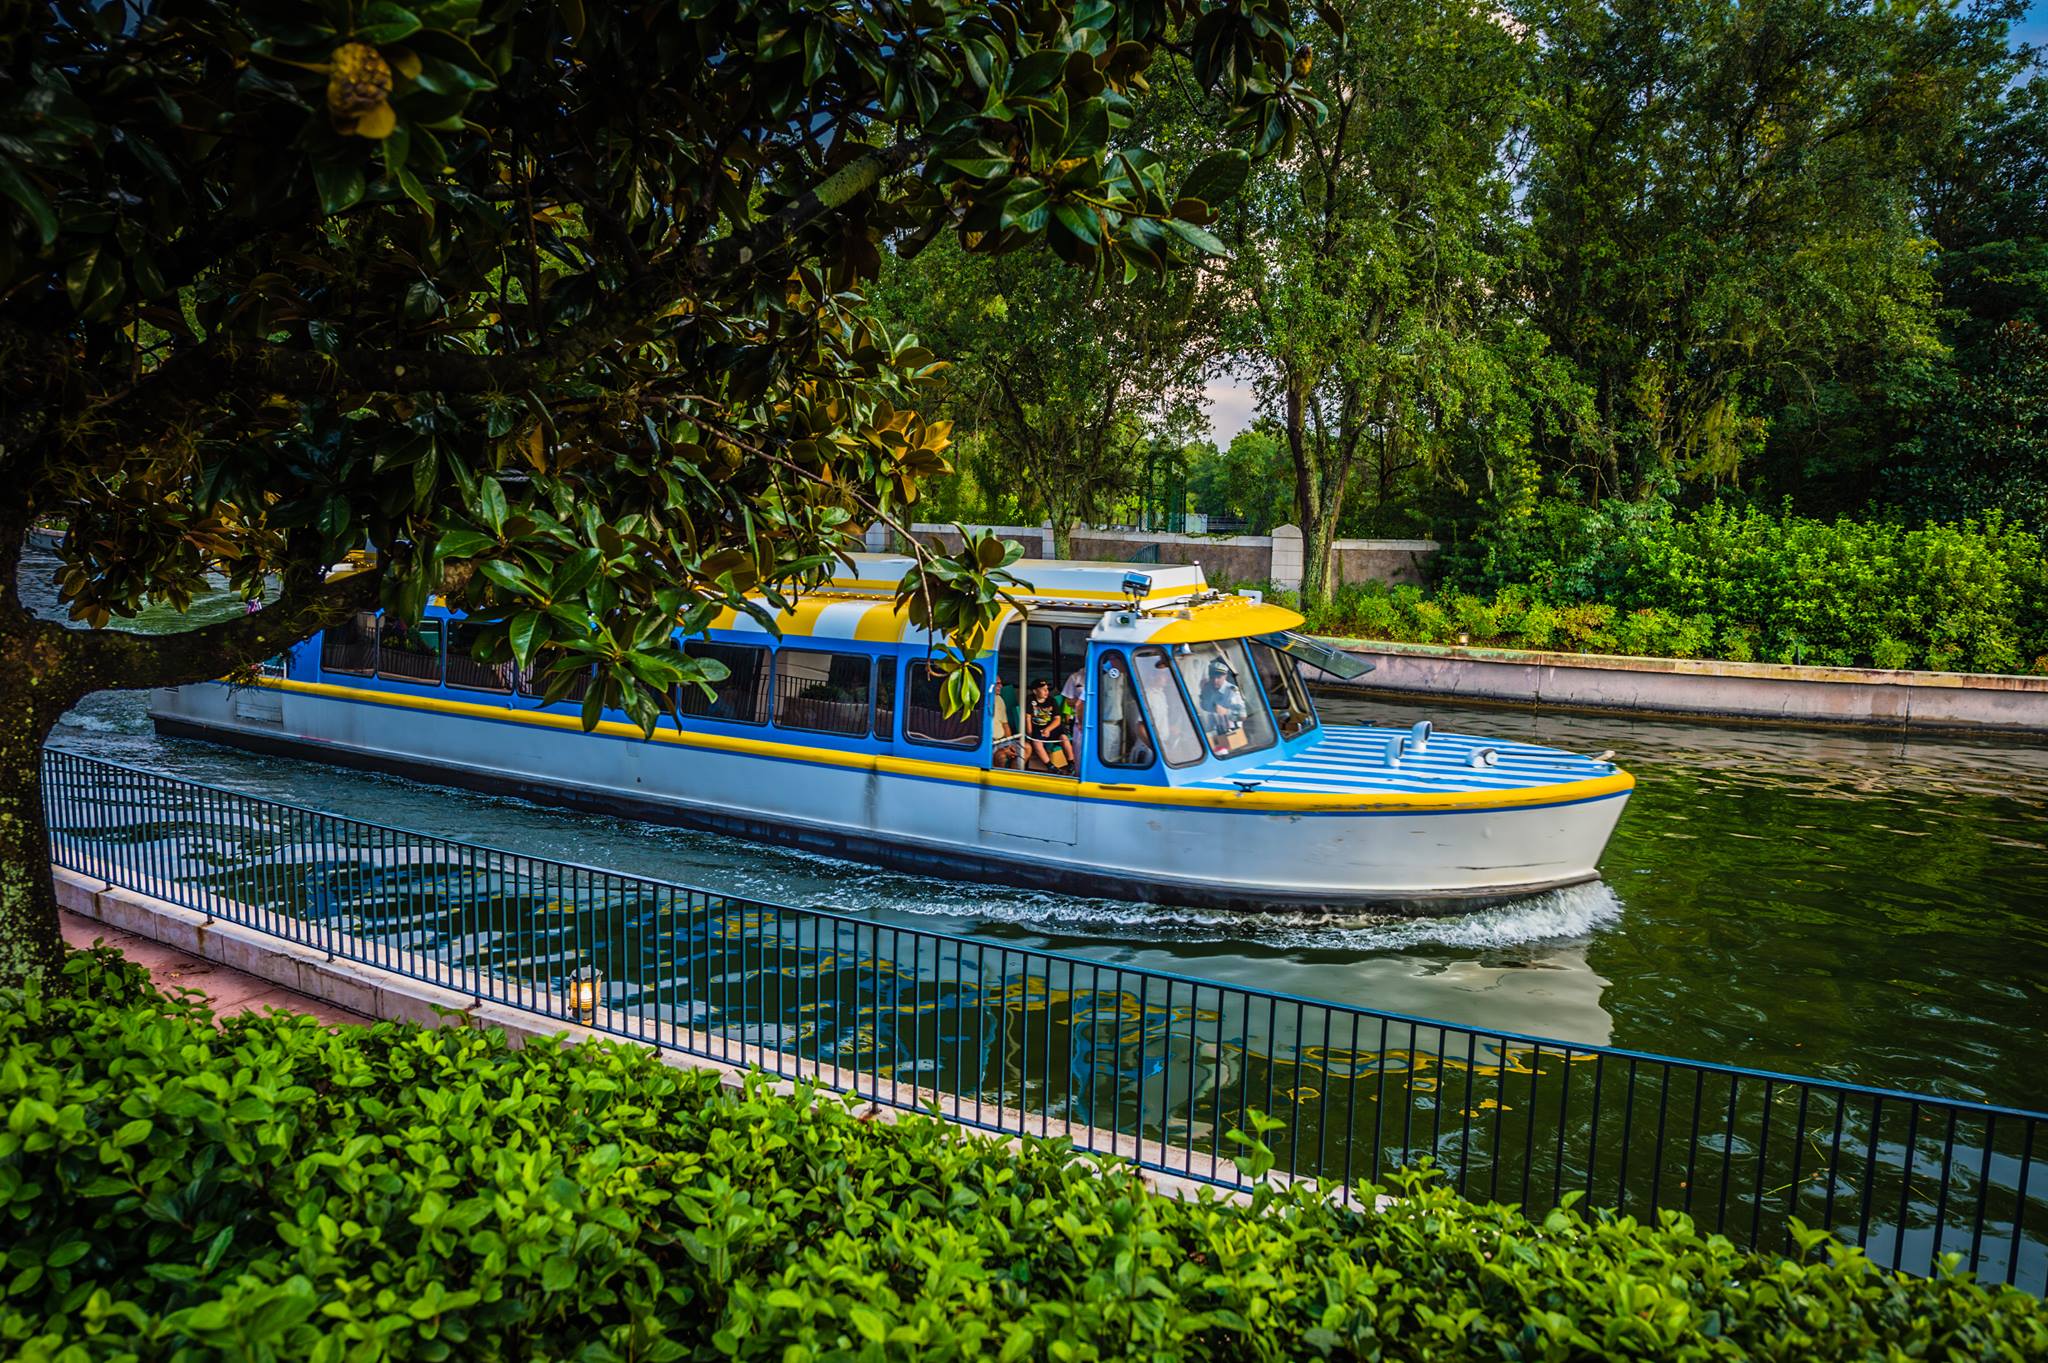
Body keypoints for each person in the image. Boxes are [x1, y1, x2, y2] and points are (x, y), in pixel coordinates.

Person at [1196, 656, 1247, 754]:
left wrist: (1226, 712)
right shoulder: (1207, 688)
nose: (1215, 680)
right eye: (1213, 677)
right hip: (1212, 735)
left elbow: (1243, 715)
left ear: (1225, 676)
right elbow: (1203, 706)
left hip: (1231, 736)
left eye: (1219, 677)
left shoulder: (1232, 691)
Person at [1023, 677, 1075, 772]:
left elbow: (1057, 719)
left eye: (1047, 689)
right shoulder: (1030, 699)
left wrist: (1048, 729)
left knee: (1064, 738)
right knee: (1036, 742)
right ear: (1035, 691)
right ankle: (1050, 766)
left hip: (1052, 727)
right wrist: (1029, 735)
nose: (1047, 691)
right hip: (1038, 727)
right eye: (1043, 689)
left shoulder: (1051, 700)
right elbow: (1028, 718)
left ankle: (1071, 763)